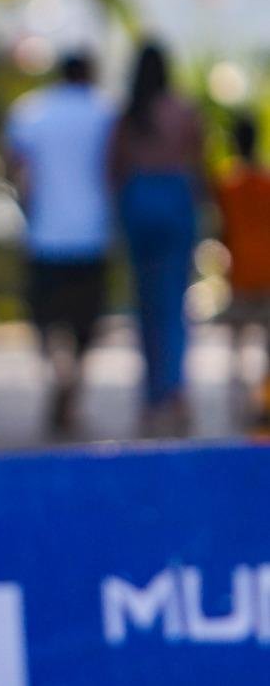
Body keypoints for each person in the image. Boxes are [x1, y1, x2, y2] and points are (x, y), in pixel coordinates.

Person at [2, 51, 116, 436]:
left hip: (44, 234)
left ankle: (58, 371)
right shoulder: (107, 112)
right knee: (87, 321)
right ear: (90, 73)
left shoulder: (32, 112)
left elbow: (13, 167)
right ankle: (74, 380)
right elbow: (119, 167)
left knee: (46, 319)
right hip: (94, 234)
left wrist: (26, 205)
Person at [109, 41, 205, 437]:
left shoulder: (127, 115)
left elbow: (113, 168)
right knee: (173, 302)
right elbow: (199, 162)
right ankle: (174, 391)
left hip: (138, 201)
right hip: (174, 200)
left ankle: (152, 398)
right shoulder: (183, 111)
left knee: (145, 304)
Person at [216, 112, 270, 426]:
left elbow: (221, 230)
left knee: (237, 345)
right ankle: (262, 402)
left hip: (239, 275)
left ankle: (239, 401)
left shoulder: (227, 184)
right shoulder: (265, 183)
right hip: (266, 274)